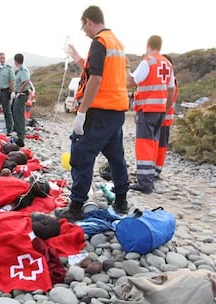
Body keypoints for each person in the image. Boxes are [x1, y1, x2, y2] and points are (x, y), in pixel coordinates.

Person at [55, 5, 130, 222]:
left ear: (89, 21)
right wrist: (77, 56)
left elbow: (96, 79)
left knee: (81, 155)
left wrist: (81, 113)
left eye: (84, 27)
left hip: (99, 111)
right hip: (116, 111)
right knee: (116, 157)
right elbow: (96, 72)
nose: (84, 32)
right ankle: (121, 200)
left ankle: (76, 207)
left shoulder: (100, 42)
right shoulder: (116, 42)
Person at [127, 35, 176, 194]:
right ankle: (151, 176)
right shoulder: (167, 64)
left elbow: (131, 82)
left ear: (148, 45)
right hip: (160, 110)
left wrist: (126, 67)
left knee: (144, 145)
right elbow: (171, 88)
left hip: (147, 109)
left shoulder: (148, 62)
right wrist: (166, 109)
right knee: (154, 143)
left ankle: (145, 182)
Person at [155, 54, 178, 179]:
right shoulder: (170, 81)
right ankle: (155, 169)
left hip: (162, 117)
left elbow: (168, 98)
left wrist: (162, 113)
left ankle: (156, 170)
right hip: (163, 117)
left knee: (160, 145)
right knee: (160, 145)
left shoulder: (170, 82)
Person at [12, 53, 32, 147]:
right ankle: (18, 133)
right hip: (19, 94)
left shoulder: (23, 70)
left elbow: (26, 81)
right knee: (16, 113)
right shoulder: (20, 70)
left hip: (22, 95)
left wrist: (19, 91)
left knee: (19, 115)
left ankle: (21, 136)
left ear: (15, 61)